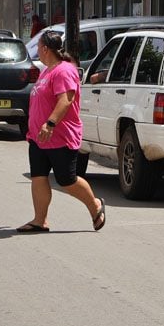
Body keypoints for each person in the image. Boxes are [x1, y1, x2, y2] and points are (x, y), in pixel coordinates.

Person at [17, 30, 105, 233]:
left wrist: (50, 123)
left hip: (59, 135)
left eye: (38, 46)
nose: (37, 50)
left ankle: (95, 205)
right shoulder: (47, 70)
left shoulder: (64, 70)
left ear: (45, 49)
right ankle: (40, 220)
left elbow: (66, 100)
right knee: (38, 176)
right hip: (39, 138)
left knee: (67, 180)